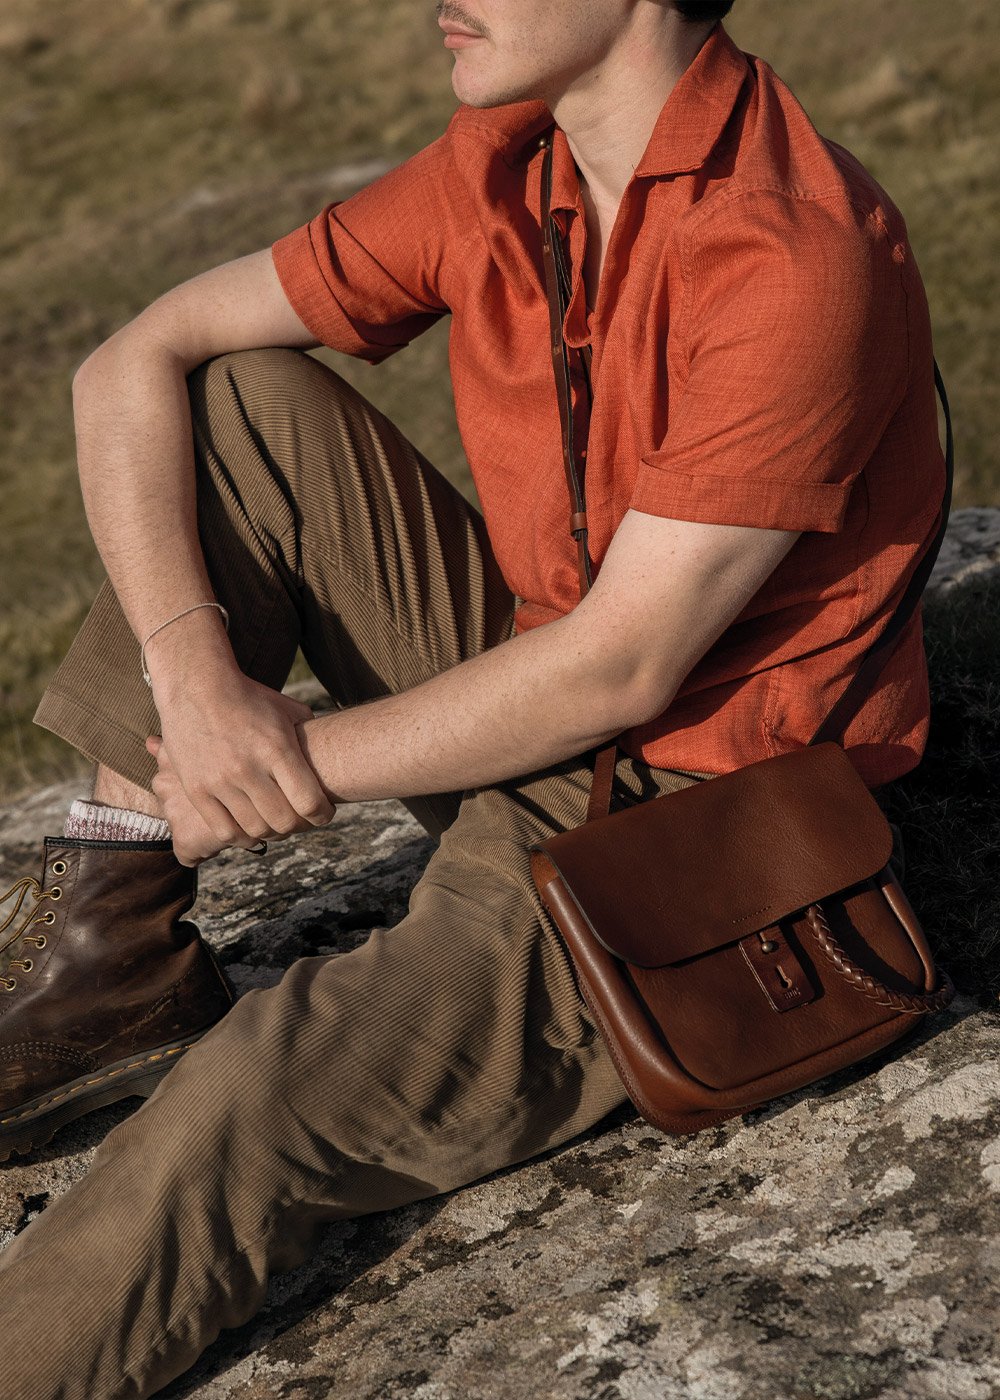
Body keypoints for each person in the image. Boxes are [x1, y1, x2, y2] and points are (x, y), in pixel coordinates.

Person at [0, 0, 946, 1395]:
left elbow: (625, 668)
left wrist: (292, 762)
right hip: (530, 691)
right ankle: (114, 957)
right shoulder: (511, 165)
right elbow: (131, 357)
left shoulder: (794, 251)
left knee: (250, 1099)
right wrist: (197, 691)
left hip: (685, 830)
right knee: (245, 401)